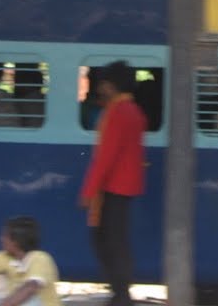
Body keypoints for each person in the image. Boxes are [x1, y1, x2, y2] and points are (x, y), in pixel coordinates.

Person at [79, 61, 148, 306]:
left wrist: (88, 192)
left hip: (114, 186)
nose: (101, 88)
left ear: (112, 85)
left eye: (104, 83)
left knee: (106, 239)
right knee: (114, 238)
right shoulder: (133, 110)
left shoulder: (117, 112)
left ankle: (121, 294)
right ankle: (120, 292)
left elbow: (105, 157)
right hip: (124, 186)